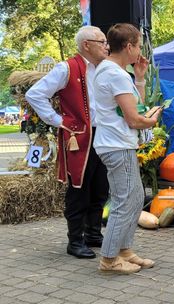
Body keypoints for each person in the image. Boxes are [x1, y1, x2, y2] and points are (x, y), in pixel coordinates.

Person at [25, 26, 110, 259]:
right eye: (102, 41)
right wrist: (58, 120)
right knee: (78, 189)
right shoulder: (66, 68)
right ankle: (75, 241)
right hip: (79, 137)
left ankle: (93, 233)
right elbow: (35, 94)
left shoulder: (106, 68)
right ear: (86, 45)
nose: (106, 46)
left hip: (103, 135)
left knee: (100, 187)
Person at [93, 23, 162, 274]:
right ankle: (109, 259)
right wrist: (152, 121)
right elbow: (135, 119)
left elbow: (136, 108)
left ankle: (124, 250)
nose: (140, 51)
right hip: (117, 144)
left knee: (133, 198)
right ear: (129, 46)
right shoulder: (115, 74)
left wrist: (140, 77)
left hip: (116, 143)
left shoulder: (115, 72)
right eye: (139, 45)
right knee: (126, 200)